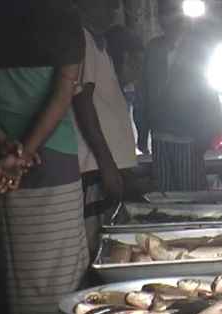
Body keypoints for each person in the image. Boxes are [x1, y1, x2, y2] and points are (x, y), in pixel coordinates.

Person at [0, 0, 105, 314]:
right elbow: (63, 92)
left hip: (3, 159)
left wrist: (6, 148)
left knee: (21, 262)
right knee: (61, 259)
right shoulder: (60, 15)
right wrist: (29, 149)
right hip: (51, 152)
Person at [74, 8, 140, 253]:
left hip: (104, 165)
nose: (112, 6)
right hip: (94, 166)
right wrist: (107, 164)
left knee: (107, 241)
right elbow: (82, 100)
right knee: (96, 247)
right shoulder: (82, 39)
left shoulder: (97, 44)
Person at [140, 0, 222, 191]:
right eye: (164, 14)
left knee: (191, 198)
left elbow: (209, 95)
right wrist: (143, 133)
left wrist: (208, 135)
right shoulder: (153, 48)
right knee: (165, 197)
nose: (167, 19)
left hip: (190, 137)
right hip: (160, 137)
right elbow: (144, 92)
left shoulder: (198, 49)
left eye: (172, 13)